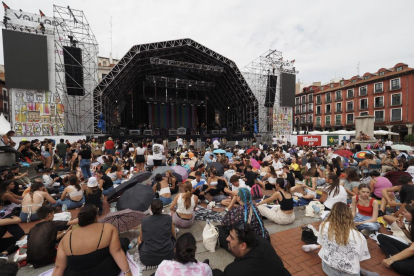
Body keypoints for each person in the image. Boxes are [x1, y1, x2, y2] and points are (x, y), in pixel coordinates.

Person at [53, 204, 131, 276]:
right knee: (122, 242)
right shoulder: (107, 227)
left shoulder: (67, 235)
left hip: (75, 274)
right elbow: (117, 251)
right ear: (95, 217)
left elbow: (59, 266)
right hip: (103, 271)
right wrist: (127, 272)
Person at [302, 202, 373, 276]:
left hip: (327, 268)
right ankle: (361, 272)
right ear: (349, 215)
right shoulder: (358, 236)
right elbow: (360, 258)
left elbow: (322, 244)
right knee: (352, 265)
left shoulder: (324, 225)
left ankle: (314, 246)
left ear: (331, 213)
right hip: (349, 273)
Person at [212, 223, 289, 276]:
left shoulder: (236, 270)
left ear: (243, 246)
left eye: (231, 237)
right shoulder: (262, 242)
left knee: (215, 272)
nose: (227, 238)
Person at [138, 199, 176, 266]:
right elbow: (174, 235)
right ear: (162, 209)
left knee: (139, 239)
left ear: (151, 209)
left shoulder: (144, 221)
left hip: (148, 259)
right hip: (169, 255)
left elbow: (142, 239)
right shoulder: (168, 218)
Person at [379, 204, 414, 276]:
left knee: (401, 266)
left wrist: (391, 259)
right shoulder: (412, 224)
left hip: (412, 251)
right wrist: (403, 228)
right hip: (411, 252)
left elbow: (412, 249)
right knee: (381, 237)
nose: (402, 213)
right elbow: (412, 239)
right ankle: (402, 257)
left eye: (405, 211)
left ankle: (398, 258)